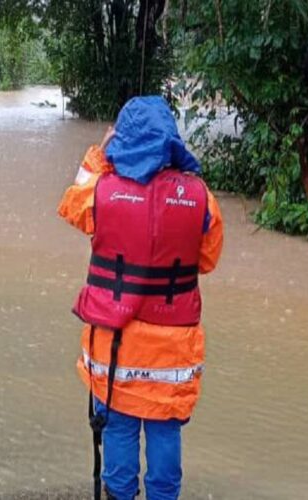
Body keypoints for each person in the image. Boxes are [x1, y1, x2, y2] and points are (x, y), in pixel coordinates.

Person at [57, 96, 224, 500]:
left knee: (117, 426)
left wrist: (98, 156)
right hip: (174, 353)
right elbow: (208, 259)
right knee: (166, 428)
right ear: (171, 140)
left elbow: (70, 205)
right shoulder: (201, 197)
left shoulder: (100, 191)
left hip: (115, 347)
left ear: (122, 138)